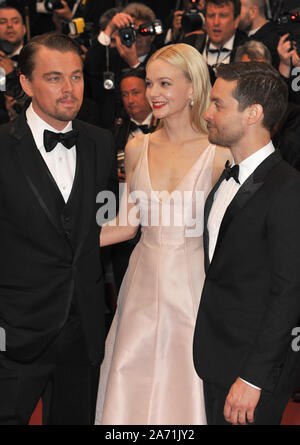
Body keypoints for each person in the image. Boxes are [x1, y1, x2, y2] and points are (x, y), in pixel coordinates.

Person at [95, 43, 231, 425]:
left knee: (184, 383)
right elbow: (125, 224)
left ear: (192, 88)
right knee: (129, 374)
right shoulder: (138, 146)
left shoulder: (219, 150)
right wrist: (59, 245)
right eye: (150, 82)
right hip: (141, 281)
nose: (153, 93)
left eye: (165, 83)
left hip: (194, 287)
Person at [0, 33, 117, 425]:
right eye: (54, 78)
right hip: (13, 333)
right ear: (26, 83)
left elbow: (99, 225)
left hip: (82, 329)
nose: (69, 90)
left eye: (77, 76)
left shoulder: (101, 143)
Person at [193, 61, 300, 425]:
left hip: (252, 372)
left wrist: (253, 378)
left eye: (219, 105)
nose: (207, 113)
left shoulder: (288, 189)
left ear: (253, 113)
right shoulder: (226, 178)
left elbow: (290, 293)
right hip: (217, 358)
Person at [200, 0, 248, 67]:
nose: (216, 22)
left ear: (236, 21)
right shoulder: (191, 45)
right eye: (211, 16)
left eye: (223, 16)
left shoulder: (248, 51)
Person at [238, 0, 280, 68]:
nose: (234, 14)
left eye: (238, 10)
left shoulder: (274, 42)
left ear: (253, 12)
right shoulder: (240, 37)